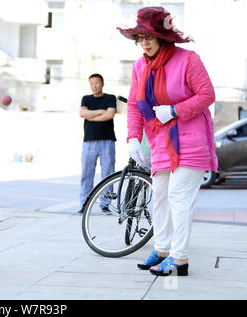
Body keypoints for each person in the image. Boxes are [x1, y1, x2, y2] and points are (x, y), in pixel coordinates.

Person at [118, 6, 217, 276]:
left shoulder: (187, 59)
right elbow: (136, 106)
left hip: (191, 140)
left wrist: (175, 110)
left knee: (178, 198)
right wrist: (133, 138)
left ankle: (179, 258)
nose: (144, 41)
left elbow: (207, 95)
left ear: (163, 36)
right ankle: (162, 249)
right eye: (140, 37)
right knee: (159, 198)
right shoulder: (140, 66)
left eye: (149, 35)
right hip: (160, 142)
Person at [78, 74, 117, 213]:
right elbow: (82, 114)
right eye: (92, 83)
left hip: (107, 140)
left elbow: (110, 115)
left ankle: (105, 204)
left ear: (102, 83)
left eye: (97, 83)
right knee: (87, 174)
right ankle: (84, 204)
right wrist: (101, 112)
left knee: (107, 173)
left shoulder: (110, 98)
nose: (94, 85)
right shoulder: (86, 98)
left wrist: (91, 116)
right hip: (89, 141)